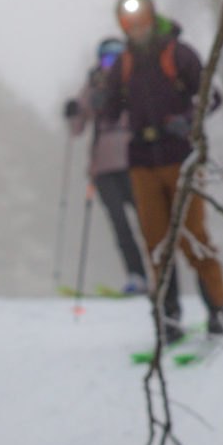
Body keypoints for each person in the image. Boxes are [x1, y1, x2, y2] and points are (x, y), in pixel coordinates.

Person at [102, 0, 223, 341]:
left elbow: (212, 96)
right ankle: (169, 316)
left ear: (151, 17)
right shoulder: (124, 64)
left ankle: (217, 308)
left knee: (193, 236)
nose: (135, 26)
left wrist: (188, 119)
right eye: (127, 21)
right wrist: (99, 99)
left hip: (180, 158)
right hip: (141, 161)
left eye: (139, 18)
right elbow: (111, 112)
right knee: (156, 242)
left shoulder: (179, 52)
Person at [62, 37, 154, 295]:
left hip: (135, 162)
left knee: (149, 221)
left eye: (116, 58)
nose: (110, 65)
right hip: (103, 167)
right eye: (106, 59)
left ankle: (159, 272)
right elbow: (77, 127)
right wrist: (73, 112)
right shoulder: (93, 86)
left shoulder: (136, 80)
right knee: (120, 224)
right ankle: (137, 276)